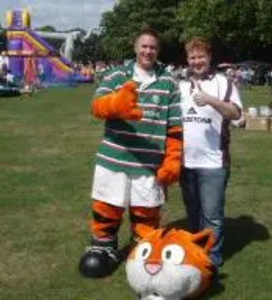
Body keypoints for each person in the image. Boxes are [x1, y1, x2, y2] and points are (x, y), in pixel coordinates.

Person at [78, 28, 183, 278]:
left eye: (153, 47)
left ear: (158, 51)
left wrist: (172, 160)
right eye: (144, 46)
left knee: (146, 213)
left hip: (149, 163)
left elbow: (175, 126)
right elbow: (96, 106)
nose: (148, 51)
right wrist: (116, 104)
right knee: (107, 208)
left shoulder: (169, 82)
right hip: (114, 158)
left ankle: (143, 250)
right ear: (135, 47)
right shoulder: (117, 75)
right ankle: (103, 247)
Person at [179, 37, 243, 270]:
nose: (197, 61)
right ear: (187, 60)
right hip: (185, 161)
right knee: (193, 212)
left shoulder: (223, 83)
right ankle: (195, 251)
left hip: (214, 162)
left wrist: (210, 100)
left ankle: (211, 260)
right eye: (192, 57)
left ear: (209, 57)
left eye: (201, 57)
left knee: (212, 215)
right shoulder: (180, 85)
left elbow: (236, 114)